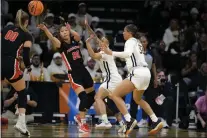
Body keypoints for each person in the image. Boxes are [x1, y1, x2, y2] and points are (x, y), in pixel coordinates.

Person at [102, 24, 163, 135]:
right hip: (146, 73)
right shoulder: (138, 42)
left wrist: (111, 52)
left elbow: (127, 54)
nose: (123, 33)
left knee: (114, 95)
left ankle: (129, 120)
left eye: (124, 31)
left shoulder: (130, 41)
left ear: (129, 32)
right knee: (138, 99)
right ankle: (155, 120)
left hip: (137, 72)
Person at [38, 22, 95, 133]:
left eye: (65, 30)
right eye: (62, 31)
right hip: (73, 74)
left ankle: (79, 116)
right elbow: (51, 37)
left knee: (91, 96)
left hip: (83, 71)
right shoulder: (61, 45)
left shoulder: (75, 40)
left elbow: (78, 36)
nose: (64, 33)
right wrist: (45, 29)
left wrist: (70, 29)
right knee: (83, 97)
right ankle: (82, 123)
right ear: (60, 34)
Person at [1, 9, 32, 136]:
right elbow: (25, 55)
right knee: (22, 92)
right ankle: (21, 123)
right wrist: (28, 66)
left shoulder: (6, 29)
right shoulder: (26, 34)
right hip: (10, 64)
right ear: (27, 22)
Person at [85, 35, 123, 129]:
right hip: (115, 79)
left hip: (112, 79)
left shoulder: (104, 53)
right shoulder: (107, 51)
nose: (101, 43)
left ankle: (105, 122)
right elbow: (99, 44)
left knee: (97, 97)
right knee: (112, 103)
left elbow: (93, 55)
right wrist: (99, 40)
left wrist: (87, 43)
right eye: (100, 42)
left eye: (104, 42)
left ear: (108, 44)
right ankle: (123, 124)